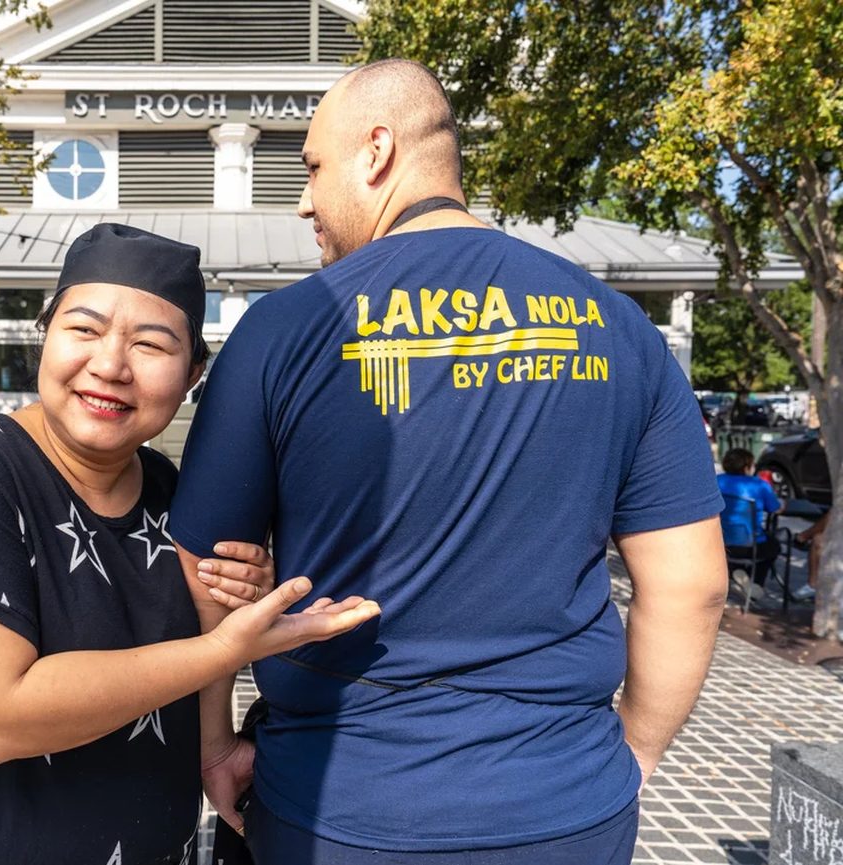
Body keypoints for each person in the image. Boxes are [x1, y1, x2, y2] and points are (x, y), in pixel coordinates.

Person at [169, 59, 728, 865]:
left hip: (337, 811)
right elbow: (693, 585)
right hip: (565, 809)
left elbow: (206, 572)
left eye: (313, 168)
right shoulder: (621, 330)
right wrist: (633, 755)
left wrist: (215, 743)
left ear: (377, 152)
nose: (303, 202)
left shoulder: (280, 331)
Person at [0, 223, 380, 865]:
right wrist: (222, 648)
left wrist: (228, 621)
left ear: (192, 376)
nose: (109, 366)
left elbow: (184, 663)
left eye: (151, 345)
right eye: (84, 329)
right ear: (45, 337)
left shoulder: (169, 488)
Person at [718, 447, 786, 592]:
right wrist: (783, 504)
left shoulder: (716, 481)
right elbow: (776, 509)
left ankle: (735, 572)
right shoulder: (760, 485)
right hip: (750, 546)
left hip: (720, 543)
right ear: (746, 467)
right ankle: (756, 584)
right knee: (774, 546)